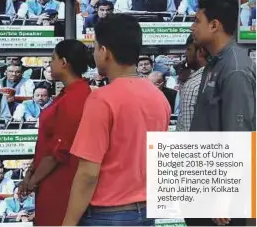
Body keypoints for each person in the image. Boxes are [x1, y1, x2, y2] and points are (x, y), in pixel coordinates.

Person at [62, 14, 171, 226]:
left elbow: (88, 173)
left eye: (94, 47)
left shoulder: (101, 99)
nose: (94, 53)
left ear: (104, 52)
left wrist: (68, 223)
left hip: (106, 215)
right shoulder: (158, 96)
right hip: (146, 212)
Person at [188, 0, 255, 227]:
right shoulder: (214, 64)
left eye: (197, 20)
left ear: (214, 25)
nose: (192, 26)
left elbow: (239, 136)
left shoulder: (235, 69)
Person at [17, 39, 94, 226]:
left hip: (61, 184)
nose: (50, 64)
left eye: (53, 59)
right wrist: (30, 173)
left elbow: (60, 149)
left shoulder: (77, 97)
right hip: (49, 180)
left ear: (64, 62)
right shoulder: (67, 94)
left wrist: (32, 181)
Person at [176, 35, 208, 132]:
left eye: (189, 50)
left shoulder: (192, 86)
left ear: (200, 52)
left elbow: (188, 131)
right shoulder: (217, 75)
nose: (186, 54)